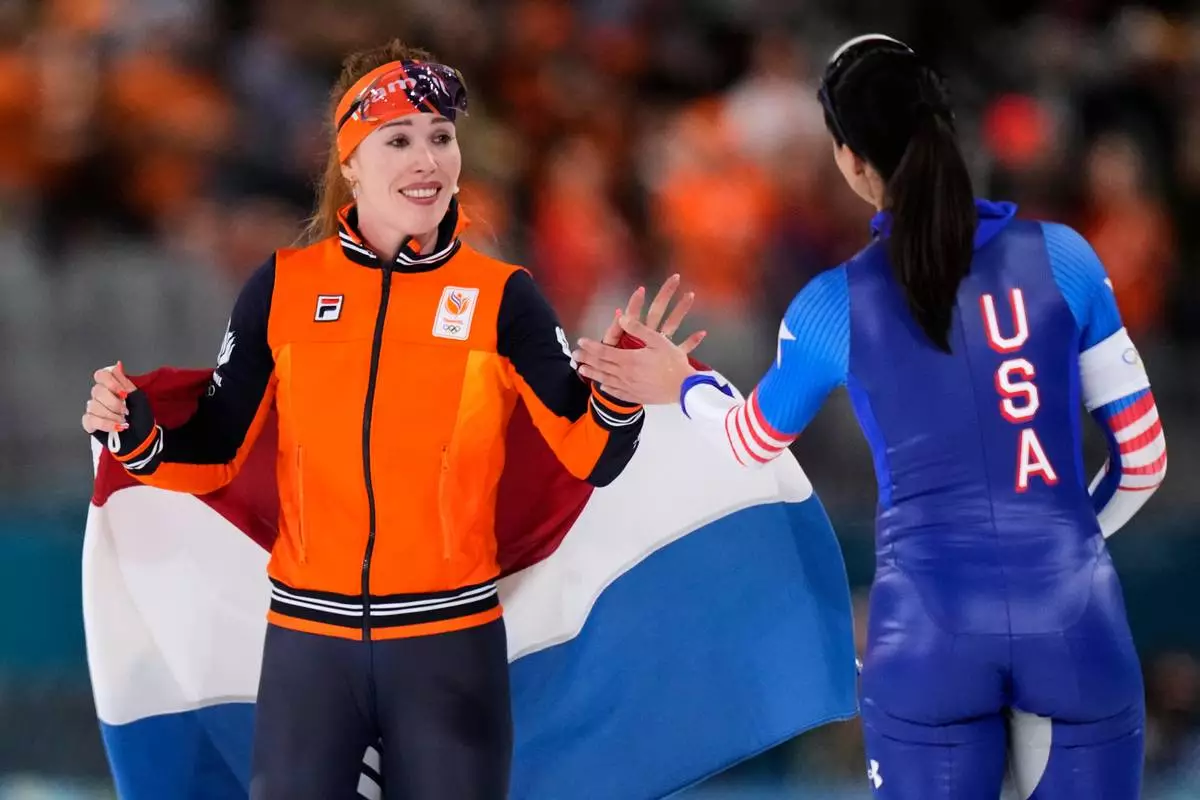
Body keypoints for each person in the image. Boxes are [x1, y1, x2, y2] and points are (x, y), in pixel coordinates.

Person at [80, 39, 701, 800]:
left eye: (441, 138)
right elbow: (214, 448)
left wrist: (618, 397)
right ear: (351, 161)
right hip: (311, 650)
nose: (427, 160)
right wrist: (135, 433)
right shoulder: (282, 288)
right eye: (399, 139)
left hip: (449, 651)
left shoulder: (503, 297)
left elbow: (590, 457)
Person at [573, 34, 1166, 800]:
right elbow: (1144, 460)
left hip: (927, 635)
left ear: (852, 162)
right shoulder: (1066, 258)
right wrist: (1061, 542)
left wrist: (684, 382)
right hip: (1076, 620)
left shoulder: (830, 306)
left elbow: (748, 444)